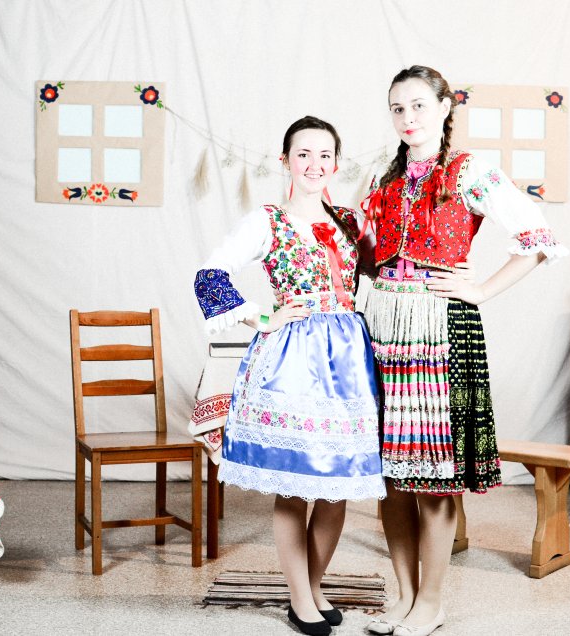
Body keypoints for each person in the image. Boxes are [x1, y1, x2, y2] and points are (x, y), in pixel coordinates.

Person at [361, 66, 568, 636]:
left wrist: (479, 289)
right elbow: (366, 255)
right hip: (384, 326)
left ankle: (431, 602)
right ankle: (404, 596)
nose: (408, 118)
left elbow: (537, 240)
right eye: (398, 108)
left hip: (440, 327)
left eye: (418, 105)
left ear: (445, 106)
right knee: (390, 476)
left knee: (434, 477)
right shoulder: (383, 177)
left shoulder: (469, 171)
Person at [193, 116, 386, 636]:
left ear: (336, 164)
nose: (314, 165)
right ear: (285, 161)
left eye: (324, 155)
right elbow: (210, 274)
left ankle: (314, 588)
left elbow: (384, 270)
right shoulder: (268, 221)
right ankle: (300, 599)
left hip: (348, 361)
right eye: (303, 154)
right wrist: (262, 316)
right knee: (296, 485)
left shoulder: (351, 221)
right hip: (294, 360)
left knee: (337, 486)